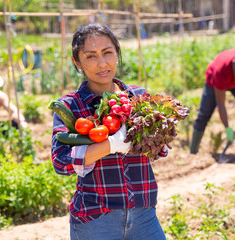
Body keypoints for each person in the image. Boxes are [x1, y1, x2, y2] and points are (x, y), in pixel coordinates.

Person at [51, 23, 168, 240]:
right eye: (91, 56)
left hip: (144, 214)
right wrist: (112, 145)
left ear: (117, 53)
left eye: (107, 53)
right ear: (76, 62)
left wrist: (156, 136)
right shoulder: (71, 107)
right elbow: (60, 162)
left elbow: (160, 151)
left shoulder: (138, 97)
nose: (102, 63)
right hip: (96, 220)